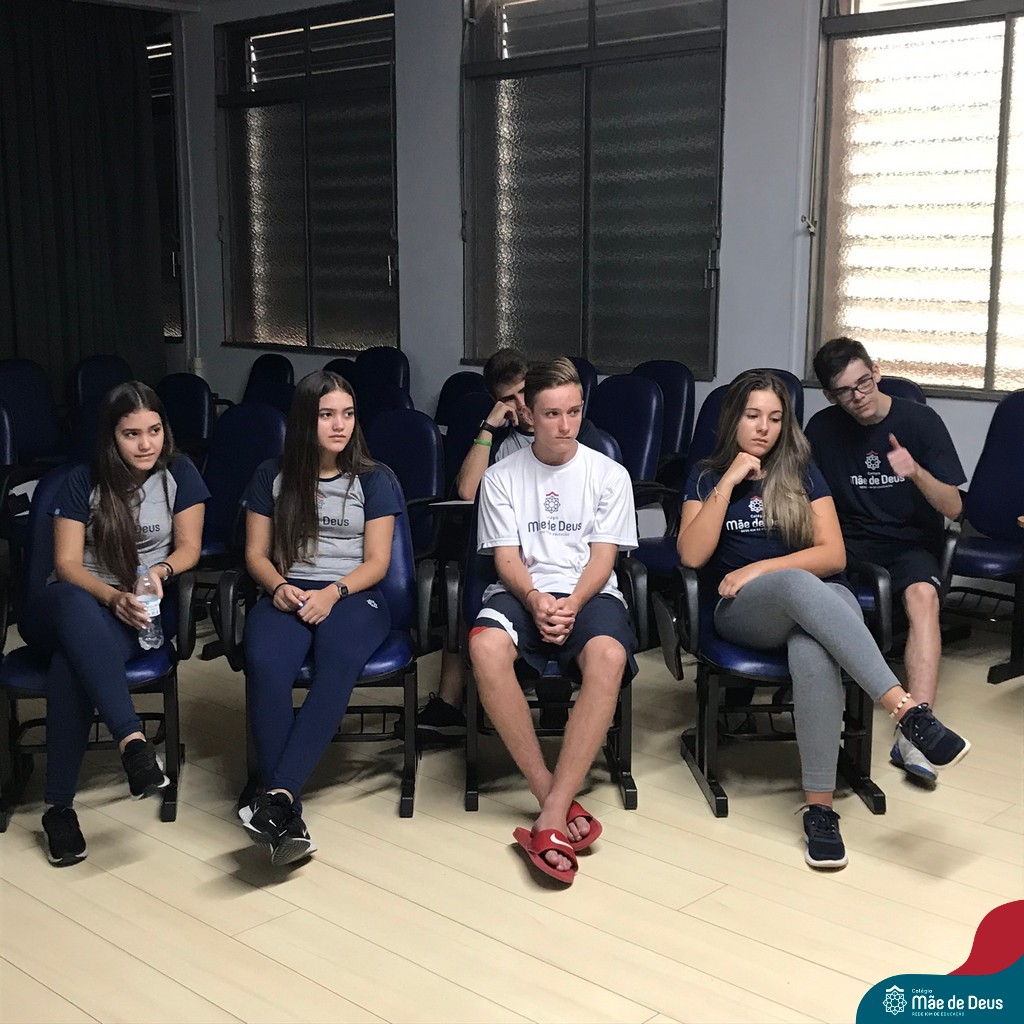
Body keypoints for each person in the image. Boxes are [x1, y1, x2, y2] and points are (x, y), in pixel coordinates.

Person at [677, 369, 970, 870]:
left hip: (810, 601)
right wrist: (729, 481)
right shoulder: (706, 477)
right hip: (744, 612)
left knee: (812, 646)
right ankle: (907, 710)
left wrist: (759, 567)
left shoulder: (803, 473)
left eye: (775, 418)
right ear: (732, 420)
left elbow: (833, 555)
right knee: (799, 586)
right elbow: (691, 554)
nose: (764, 428)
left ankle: (820, 810)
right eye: (753, 416)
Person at [469, 357, 638, 885]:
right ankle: (554, 800)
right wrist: (535, 597)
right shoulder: (501, 476)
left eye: (574, 412)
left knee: (608, 655)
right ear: (528, 414)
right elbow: (506, 558)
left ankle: (549, 816)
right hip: (522, 588)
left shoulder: (609, 474)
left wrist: (572, 603)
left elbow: (604, 557)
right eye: (552, 414)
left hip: (589, 590)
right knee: (484, 646)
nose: (566, 426)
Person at [38, 382, 208, 867]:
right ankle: (132, 740)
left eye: (154, 430)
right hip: (74, 602)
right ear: (111, 437)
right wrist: (112, 597)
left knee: (70, 665)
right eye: (131, 434)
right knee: (72, 605)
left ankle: (58, 810)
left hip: (136, 611)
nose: (145, 444)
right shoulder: (83, 480)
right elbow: (66, 565)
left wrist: (159, 572)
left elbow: (189, 548)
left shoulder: (179, 473)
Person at [240, 369, 401, 866]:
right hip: (288, 591)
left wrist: (333, 593)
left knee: (337, 662)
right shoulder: (271, 475)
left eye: (347, 414)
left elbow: (378, 562)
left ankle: (276, 793)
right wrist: (278, 587)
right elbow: (255, 554)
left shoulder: (374, 478)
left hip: (354, 594)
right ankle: (285, 812)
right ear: (304, 420)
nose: (339, 425)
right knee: (265, 664)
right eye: (327, 415)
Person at [419, 349, 610, 740]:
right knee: (466, 572)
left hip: (564, 557)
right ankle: (454, 702)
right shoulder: (503, 441)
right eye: (509, 399)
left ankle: (554, 696)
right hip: (510, 552)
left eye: (525, 392)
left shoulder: (579, 436)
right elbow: (468, 491)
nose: (522, 405)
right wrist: (488, 428)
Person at [806, 338, 966, 786]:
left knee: (923, 597)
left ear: (876, 372)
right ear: (830, 396)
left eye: (863, 383)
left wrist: (916, 472)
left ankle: (917, 730)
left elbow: (954, 508)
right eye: (844, 391)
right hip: (848, 542)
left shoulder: (920, 421)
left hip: (908, 542)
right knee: (814, 593)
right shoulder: (822, 429)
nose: (858, 396)